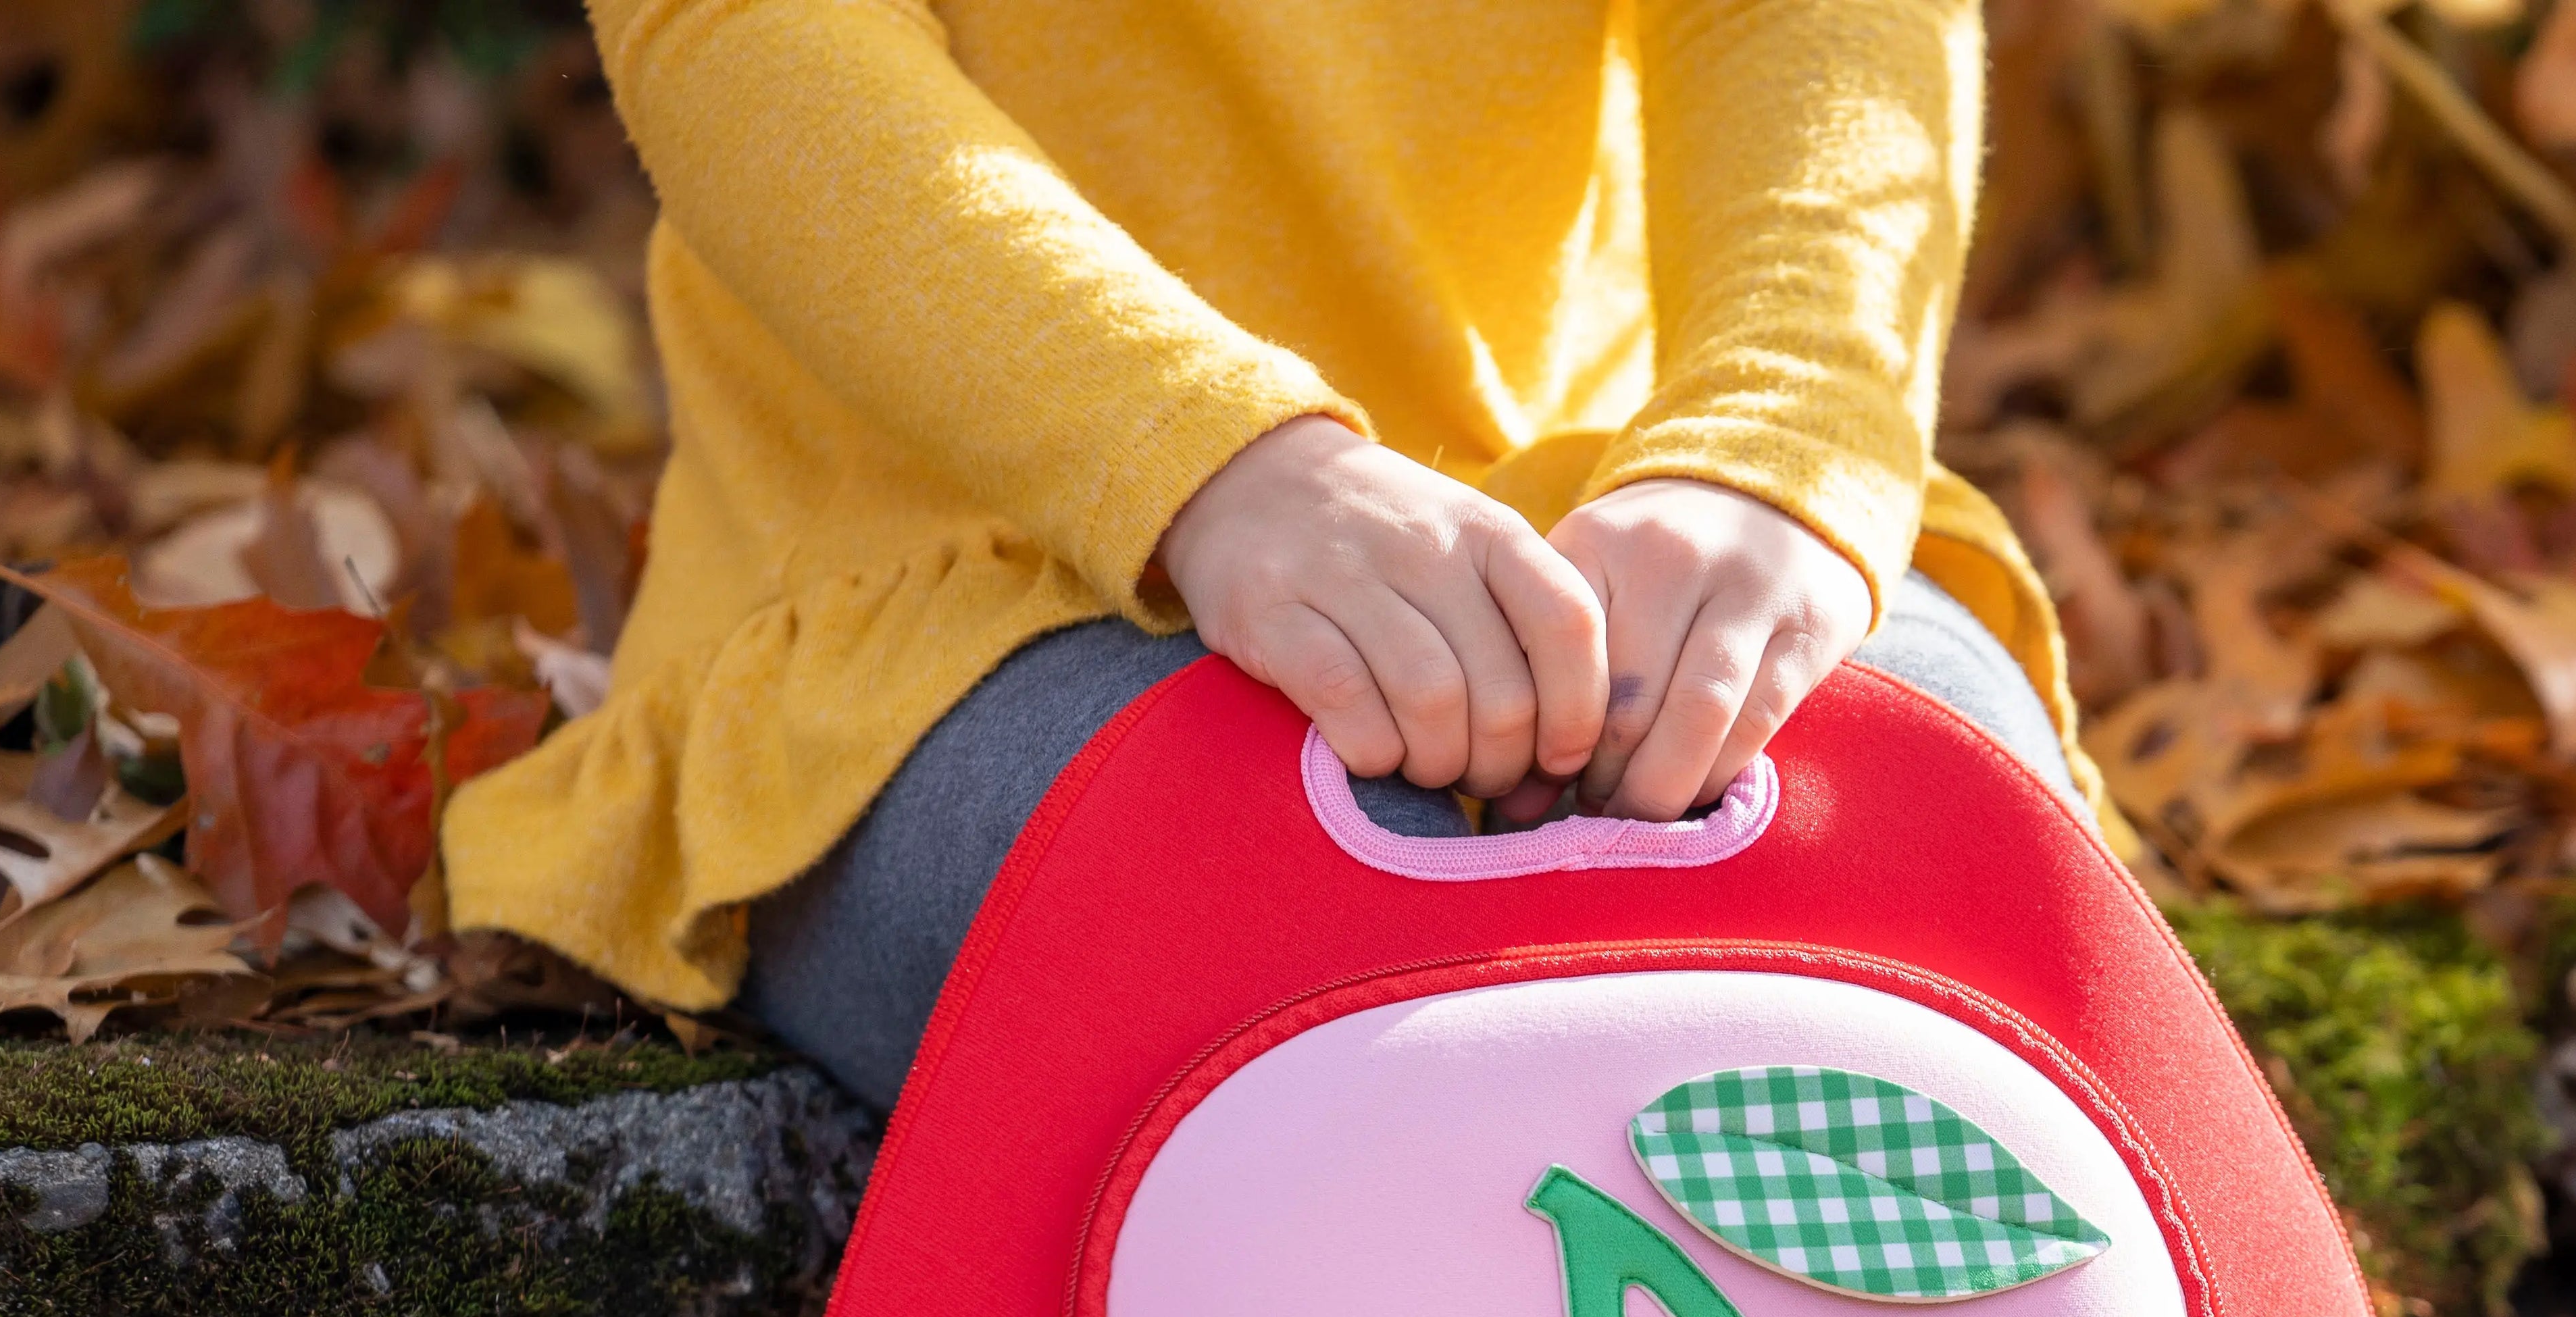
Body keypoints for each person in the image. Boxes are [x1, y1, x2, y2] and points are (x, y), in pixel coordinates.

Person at [443, 0, 2102, 1112]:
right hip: (948, 604)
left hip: (1599, 535)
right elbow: (747, 35)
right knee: (1335, 983)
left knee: (1935, 879)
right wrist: (1213, 465)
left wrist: (1780, 451)